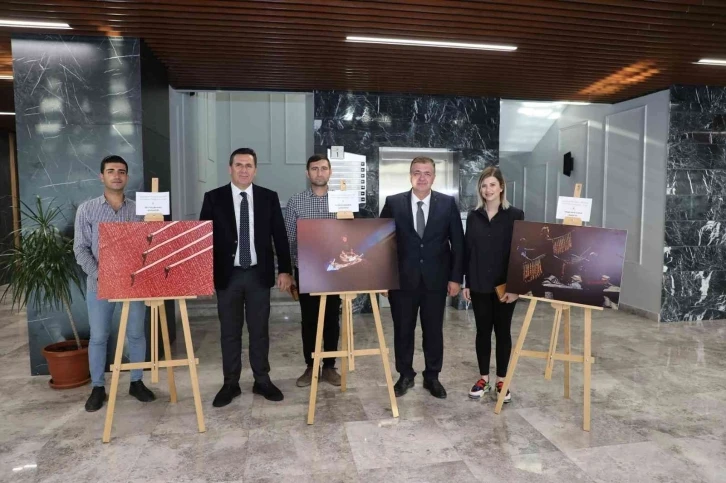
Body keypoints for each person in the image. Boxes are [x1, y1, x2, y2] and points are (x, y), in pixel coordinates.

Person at [200, 147, 293, 407]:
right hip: (227, 276)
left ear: (255, 169)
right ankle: (230, 383)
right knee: (229, 332)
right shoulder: (213, 198)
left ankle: (262, 380)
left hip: (257, 275)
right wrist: (202, 275)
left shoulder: (268, 198)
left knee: (259, 331)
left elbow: (280, 236)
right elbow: (204, 240)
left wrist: (285, 270)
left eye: (248, 165)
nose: (243, 170)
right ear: (230, 168)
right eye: (238, 165)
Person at [74, 155, 155, 412]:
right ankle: (98, 387)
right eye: (111, 171)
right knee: (99, 337)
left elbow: (150, 245)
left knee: (136, 334)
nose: (116, 175)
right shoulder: (87, 209)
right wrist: (102, 275)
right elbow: (80, 249)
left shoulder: (139, 210)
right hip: (99, 285)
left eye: (121, 171)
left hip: (134, 285)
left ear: (127, 177)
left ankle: (136, 381)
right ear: (102, 176)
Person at [380, 156, 464, 399]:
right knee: (403, 330)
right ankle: (405, 375)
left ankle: (432, 376)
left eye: (427, 173)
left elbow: (457, 243)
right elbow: (384, 244)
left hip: (436, 282)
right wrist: (384, 279)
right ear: (410, 176)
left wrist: (456, 278)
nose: (422, 177)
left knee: (433, 330)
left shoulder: (447, 204)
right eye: (417, 172)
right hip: (401, 281)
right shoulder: (394, 203)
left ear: (434, 177)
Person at [463, 166, 524, 404]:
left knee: (503, 332)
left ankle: (501, 381)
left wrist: (515, 286)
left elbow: (519, 253)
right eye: (484, 185)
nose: (487, 189)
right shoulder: (473, 216)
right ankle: (483, 379)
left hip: (504, 287)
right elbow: (469, 250)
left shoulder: (515, 215)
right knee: (482, 332)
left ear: (501, 187)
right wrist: (467, 281)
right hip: (478, 284)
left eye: (492, 185)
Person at [285, 154, 342, 388]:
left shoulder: (341, 201)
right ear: (307, 173)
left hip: (334, 271)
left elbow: (351, 235)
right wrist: (287, 272)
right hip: (305, 270)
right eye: (315, 169)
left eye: (324, 168)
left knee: (331, 318)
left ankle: (329, 366)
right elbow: (288, 239)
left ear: (330, 172)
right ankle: (311, 366)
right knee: (308, 319)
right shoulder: (296, 202)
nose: (320, 173)